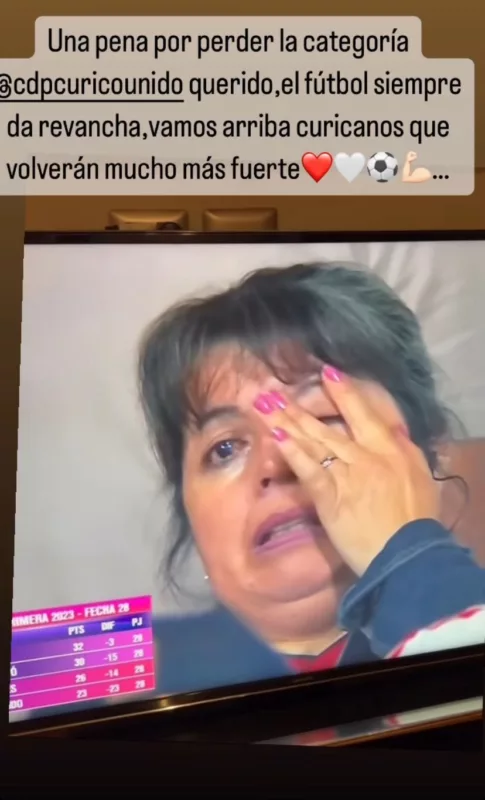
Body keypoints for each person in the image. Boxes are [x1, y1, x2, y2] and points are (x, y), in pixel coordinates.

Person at [137, 261, 485, 696]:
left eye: (322, 418)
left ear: (429, 449)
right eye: (224, 449)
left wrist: (409, 556)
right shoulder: (102, 668)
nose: (275, 464)